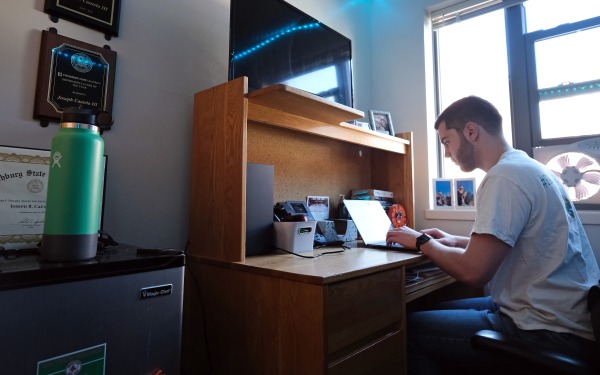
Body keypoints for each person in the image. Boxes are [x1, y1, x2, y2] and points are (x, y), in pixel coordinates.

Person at [386, 96, 600, 374]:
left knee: (409, 329)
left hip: (546, 329)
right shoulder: (532, 169)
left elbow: (474, 273)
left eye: (446, 142)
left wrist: (421, 241)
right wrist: (453, 241)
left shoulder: (504, 177)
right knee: (437, 305)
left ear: (471, 131)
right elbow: (525, 243)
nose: (447, 153)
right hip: (568, 316)